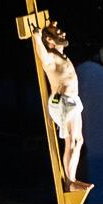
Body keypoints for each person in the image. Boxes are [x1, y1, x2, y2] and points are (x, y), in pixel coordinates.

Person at [34, 21, 90, 191]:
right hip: (63, 101)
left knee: (79, 140)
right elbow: (41, 52)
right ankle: (70, 181)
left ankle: (72, 178)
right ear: (50, 40)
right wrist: (37, 36)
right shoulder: (50, 57)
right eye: (58, 33)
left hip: (73, 100)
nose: (63, 34)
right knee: (71, 139)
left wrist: (48, 27)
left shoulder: (61, 54)